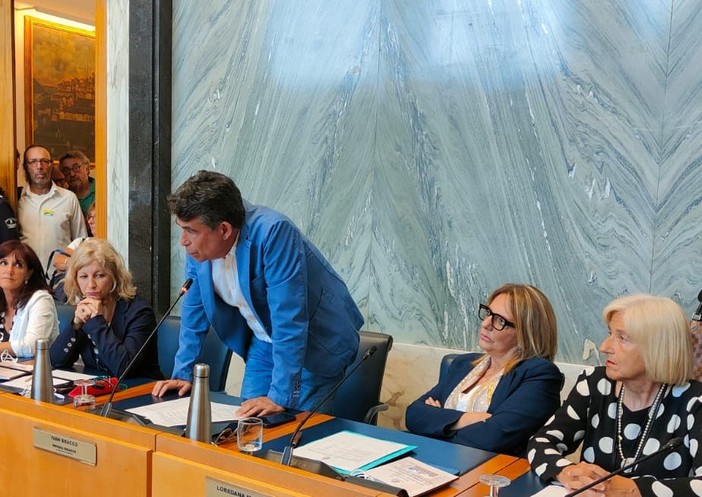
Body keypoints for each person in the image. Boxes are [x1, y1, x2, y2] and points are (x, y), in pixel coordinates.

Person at [152, 170, 363, 416]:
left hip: (314, 342)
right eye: (181, 229)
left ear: (224, 230)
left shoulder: (273, 233)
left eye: (191, 231)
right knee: (246, 425)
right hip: (264, 341)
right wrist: (182, 373)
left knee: (290, 431)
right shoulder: (200, 247)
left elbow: (289, 318)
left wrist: (280, 396)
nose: (183, 241)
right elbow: (194, 308)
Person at [527, 294, 702, 496]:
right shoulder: (595, 384)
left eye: (622, 338)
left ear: (658, 348)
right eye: (610, 333)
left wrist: (634, 490)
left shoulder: (694, 401)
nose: (604, 347)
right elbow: (540, 442)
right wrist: (566, 472)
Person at [405, 283, 561, 456]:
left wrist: (437, 420)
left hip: (490, 468)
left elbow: (492, 438)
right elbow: (413, 414)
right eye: (488, 313)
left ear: (526, 333)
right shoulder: (463, 364)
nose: (486, 324)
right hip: (436, 459)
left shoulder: (539, 375)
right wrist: (467, 419)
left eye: (500, 321)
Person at [49, 238, 162, 379]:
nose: (91, 285)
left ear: (115, 277)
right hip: (100, 387)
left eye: (99, 276)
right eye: (83, 276)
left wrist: (96, 322)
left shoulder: (139, 312)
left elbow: (124, 369)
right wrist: (76, 325)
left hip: (140, 388)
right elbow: (56, 361)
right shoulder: (86, 308)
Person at [17, 144, 88, 270]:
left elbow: (81, 241)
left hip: (61, 276)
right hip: (27, 276)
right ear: (26, 167)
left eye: (44, 161)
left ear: (51, 166)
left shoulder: (68, 198)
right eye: (33, 162)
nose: (39, 166)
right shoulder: (17, 199)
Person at [0, 240, 58, 357]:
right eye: (3, 263)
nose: (9, 270)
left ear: (28, 273)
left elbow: (33, 346)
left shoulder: (41, 300)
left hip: (34, 368)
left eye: (18, 265)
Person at [58, 150, 95, 224]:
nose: (72, 174)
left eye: (76, 168)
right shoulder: (62, 197)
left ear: (87, 168)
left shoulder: (103, 190)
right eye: (66, 170)